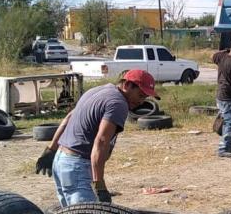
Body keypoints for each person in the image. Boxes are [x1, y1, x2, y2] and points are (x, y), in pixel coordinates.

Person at [35, 69, 159, 206]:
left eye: (145, 97)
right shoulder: (118, 103)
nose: (141, 102)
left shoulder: (97, 91)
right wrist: (100, 186)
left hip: (61, 160)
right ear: (127, 85)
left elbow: (68, 118)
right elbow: (101, 142)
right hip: (77, 166)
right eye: (140, 95)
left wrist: (51, 150)